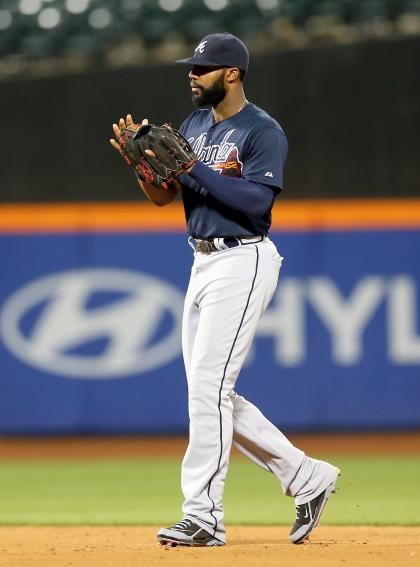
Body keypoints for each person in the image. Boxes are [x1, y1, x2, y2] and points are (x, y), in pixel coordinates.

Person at [110, 32, 340, 547]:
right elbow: (164, 197)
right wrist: (143, 168)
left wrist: (195, 168)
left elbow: (256, 203)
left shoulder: (262, 131)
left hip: (243, 257)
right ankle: (305, 475)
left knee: (209, 387)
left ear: (231, 73)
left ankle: (203, 516)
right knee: (209, 392)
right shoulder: (192, 124)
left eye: (202, 69)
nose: (191, 76)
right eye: (191, 68)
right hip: (201, 259)